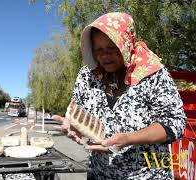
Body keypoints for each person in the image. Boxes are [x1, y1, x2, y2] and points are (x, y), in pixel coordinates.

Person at [53, 12, 186, 179]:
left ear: (126, 44)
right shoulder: (87, 76)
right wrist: (72, 126)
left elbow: (175, 123)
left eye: (112, 48)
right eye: (98, 49)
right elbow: (78, 111)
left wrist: (129, 139)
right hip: (99, 174)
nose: (104, 56)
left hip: (147, 175)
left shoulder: (152, 74)